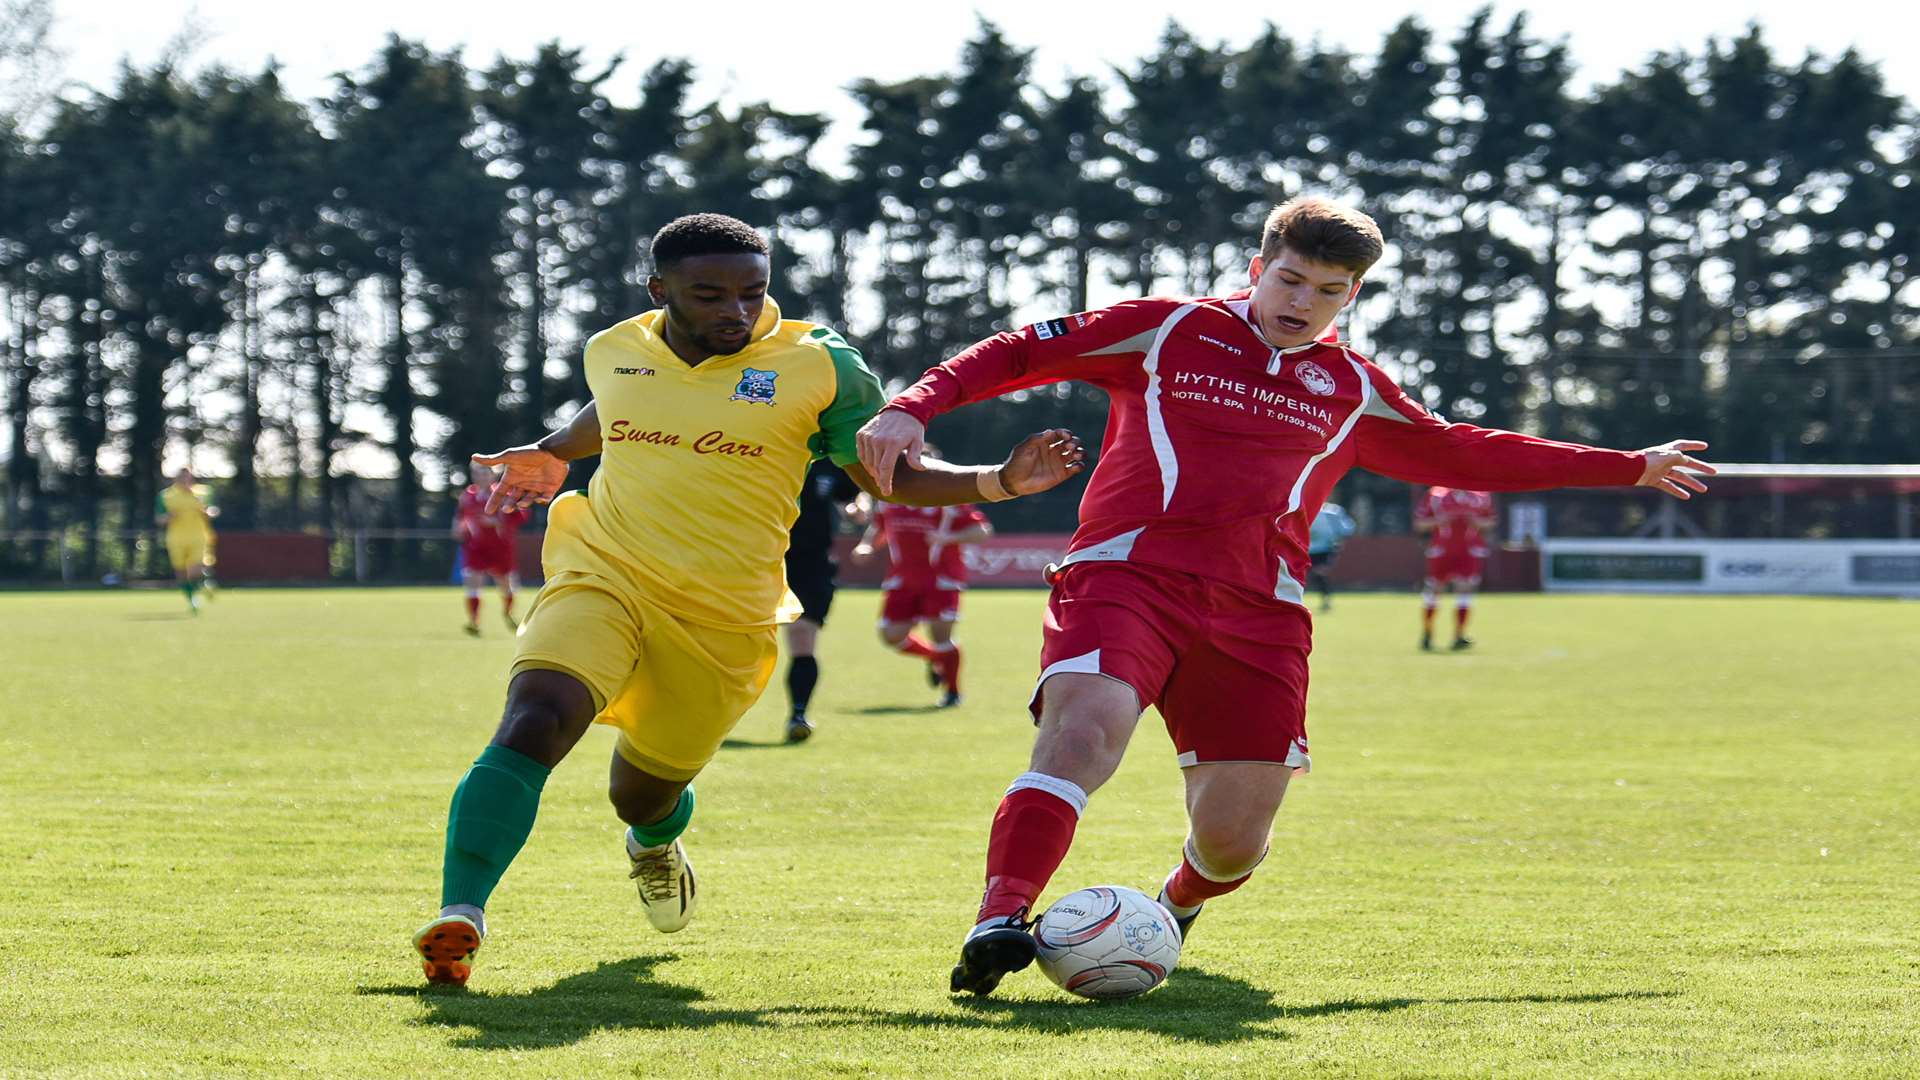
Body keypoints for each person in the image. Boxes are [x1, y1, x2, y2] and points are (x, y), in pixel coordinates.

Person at [855, 195, 1715, 997]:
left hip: (1258, 615)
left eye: (1330, 292)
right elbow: (1019, 349)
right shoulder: (1167, 330)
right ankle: (999, 917)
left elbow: (1464, 451)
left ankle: (1177, 903)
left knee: (1232, 845)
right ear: (1259, 264)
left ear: (1353, 295)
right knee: (1080, 736)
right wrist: (914, 405)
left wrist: (1626, 465)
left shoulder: (1354, 389)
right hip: (1126, 576)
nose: (1304, 302)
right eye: (1291, 279)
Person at [411, 212, 1087, 988]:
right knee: (536, 717)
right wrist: (553, 450)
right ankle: (461, 916)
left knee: (640, 793)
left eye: (751, 293)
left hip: (726, 613)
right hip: (606, 569)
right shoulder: (615, 348)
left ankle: (655, 844)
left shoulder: (818, 362)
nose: (734, 310)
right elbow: (621, 407)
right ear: (659, 290)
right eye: (709, 295)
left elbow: (883, 472)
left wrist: (998, 480)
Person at [853, 474, 993, 708]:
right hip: (902, 579)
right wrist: (866, 545)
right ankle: (936, 658)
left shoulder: (948, 498)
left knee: (941, 635)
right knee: (891, 635)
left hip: (941, 579)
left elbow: (982, 531)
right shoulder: (890, 496)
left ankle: (952, 693)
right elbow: (880, 527)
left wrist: (948, 537)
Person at [781, 459, 866, 742]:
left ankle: (798, 713)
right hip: (763, 558)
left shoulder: (829, 461)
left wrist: (857, 509)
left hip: (812, 565)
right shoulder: (768, 446)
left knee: (802, 635)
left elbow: (852, 495)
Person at [1414, 486, 1495, 650]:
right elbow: (1419, 524)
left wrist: (1476, 521)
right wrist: (1440, 521)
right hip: (1442, 550)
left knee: (1465, 589)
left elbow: (1490, 522)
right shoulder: (1436, 494)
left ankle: (1459, 635)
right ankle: (1427, 633)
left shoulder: (1481, 495)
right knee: (1435, 590)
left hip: (1468, 550)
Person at [453, 466, 530, 636]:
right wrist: (458, 528)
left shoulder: (505, 496)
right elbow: (461, 516)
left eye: (485, 473)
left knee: (506, 585)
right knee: (472, 581)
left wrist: (497, 523)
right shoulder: (467, 496)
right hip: (477, 547)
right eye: (477, 473)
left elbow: (521, 517)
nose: (481, 477)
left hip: (501, 548)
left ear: (493, 475)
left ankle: (508, 612)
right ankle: (474, 622)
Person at [156, 469, 217, 613]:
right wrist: (168, 517)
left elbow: (213, 510)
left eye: (187, 477)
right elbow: (159, 519)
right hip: (176, 538)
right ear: (176, 478)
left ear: (191, 477)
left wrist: (209, 512)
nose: (184, 480)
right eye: (181, 477)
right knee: (181, 572)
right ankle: (192, 599)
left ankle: (201, 584)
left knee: (195, 568)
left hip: (199, 536)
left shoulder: (204, 492)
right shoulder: (166, 495)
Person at [1305, 501, 1355, 612]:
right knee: (1309, 576)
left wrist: (1337, 540)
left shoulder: (1332, 512)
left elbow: (1347, 529)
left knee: (1319, 572)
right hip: (1305, 549)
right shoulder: (1301, 509)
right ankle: (1324, 598)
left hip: (1325, 549)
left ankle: (1326, 599)